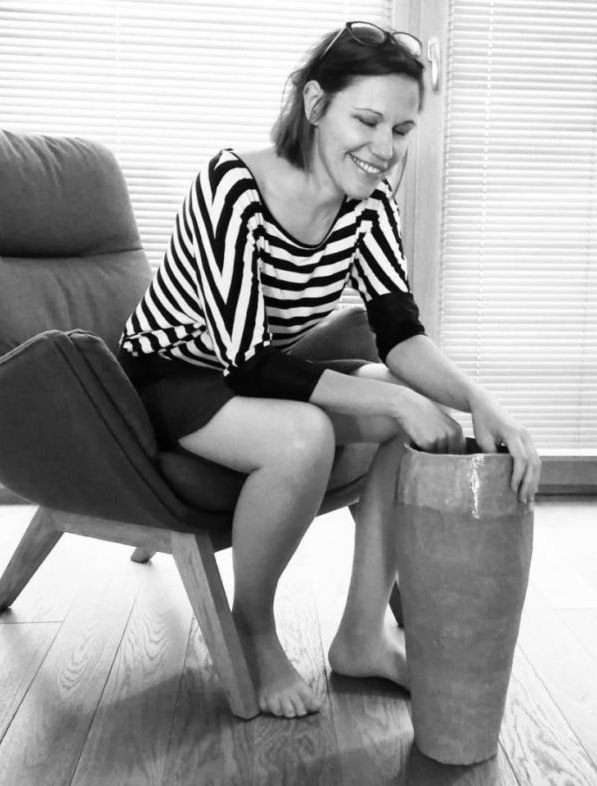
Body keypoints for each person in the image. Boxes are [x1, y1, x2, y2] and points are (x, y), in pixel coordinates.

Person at [118, 21, 541, 720]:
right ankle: (253, 629)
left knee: (414, 419)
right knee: (308, 437)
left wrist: (478, 401)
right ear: (315, 105)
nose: (385, 149)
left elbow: (399, 335)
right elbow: (248, 362)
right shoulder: (233, 185)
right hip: (175, 373)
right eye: (367, 121)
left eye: (401, 130)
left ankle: (361, 636)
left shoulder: (369, 205)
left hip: (262, 370)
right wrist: (399, 403)